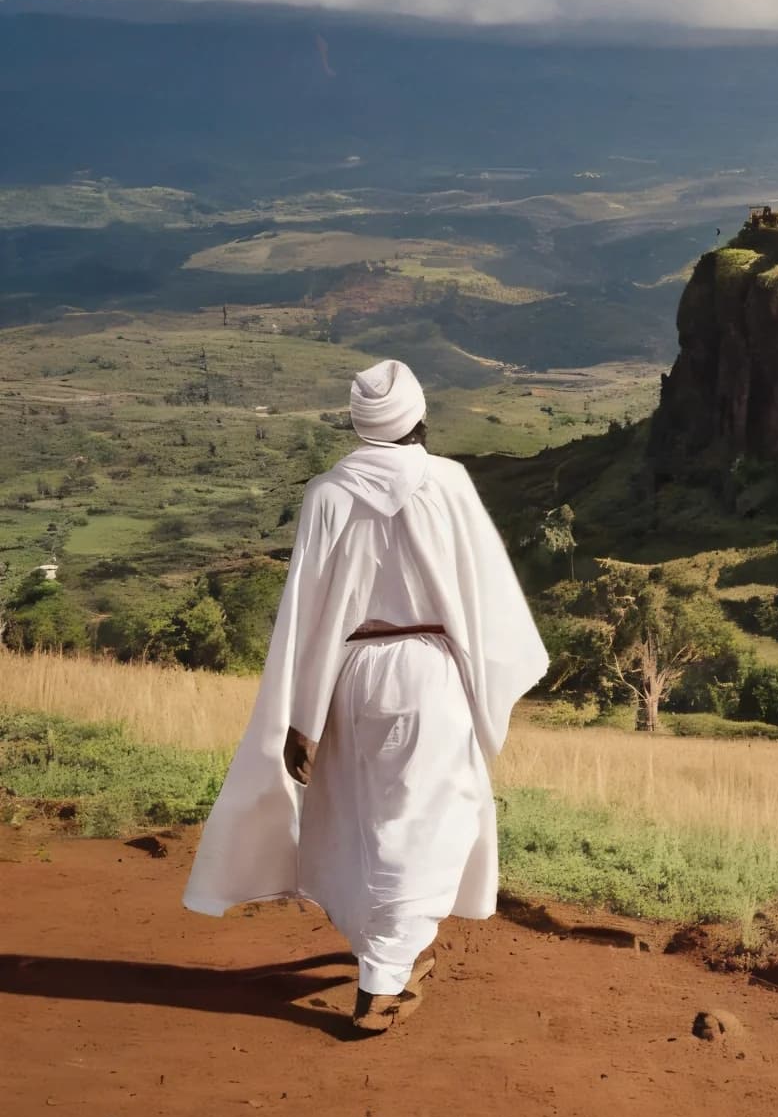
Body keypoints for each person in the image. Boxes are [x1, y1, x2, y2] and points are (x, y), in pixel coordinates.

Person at [185, 359, 549, 1033]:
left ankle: (384, 945)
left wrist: (303, 717)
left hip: (350, 675)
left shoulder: (327, 493)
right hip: (431, 675)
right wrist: (479, 681)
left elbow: (308, 614)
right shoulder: (450, 483)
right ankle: (382, 978)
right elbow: (488, 596)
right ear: (417, 417)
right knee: (418, 823)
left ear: (359, 422)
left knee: (361, 820)